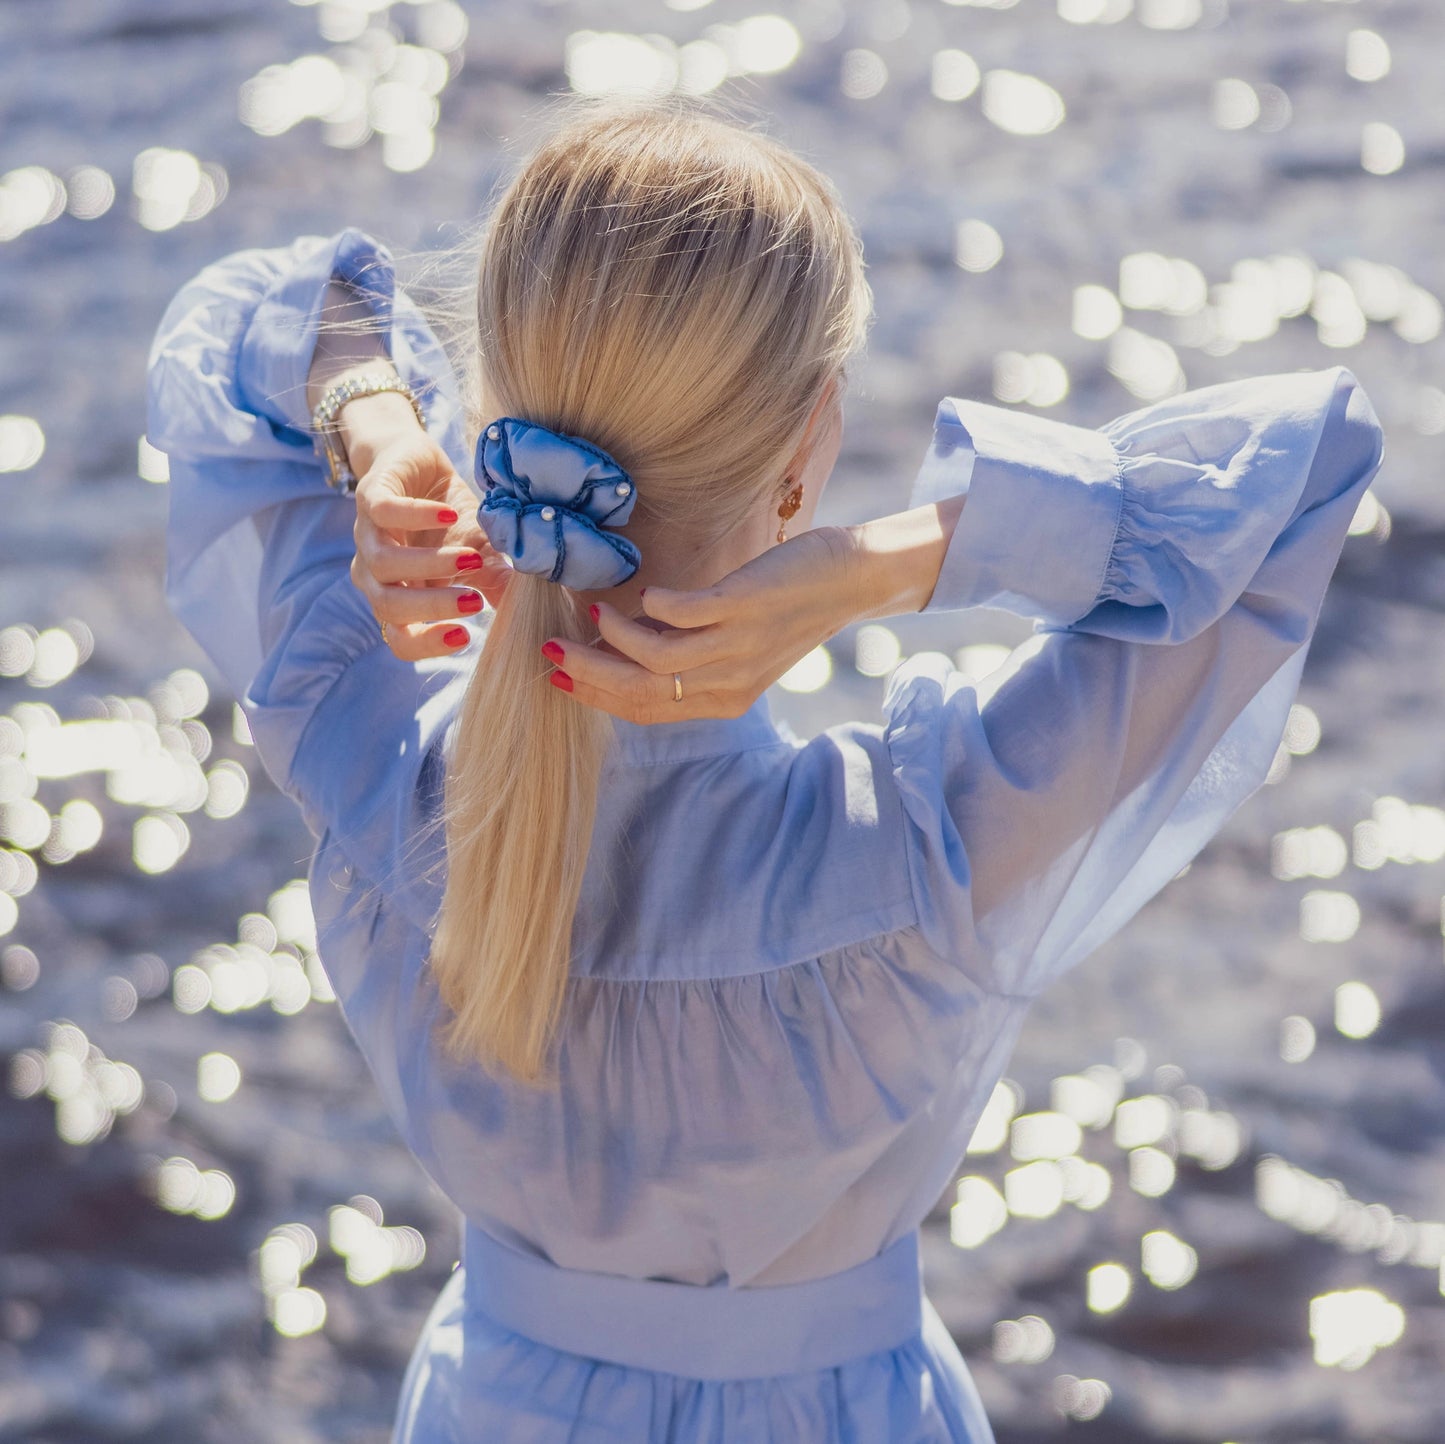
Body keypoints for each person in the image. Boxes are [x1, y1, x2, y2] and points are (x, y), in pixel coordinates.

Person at [146, 98, 1386, 1444]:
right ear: (806, 453)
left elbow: (260, 315)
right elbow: (1300, 470)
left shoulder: (372, 751)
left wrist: (373, 424)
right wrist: (895, 564)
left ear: (497, 403)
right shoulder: (922, 857)